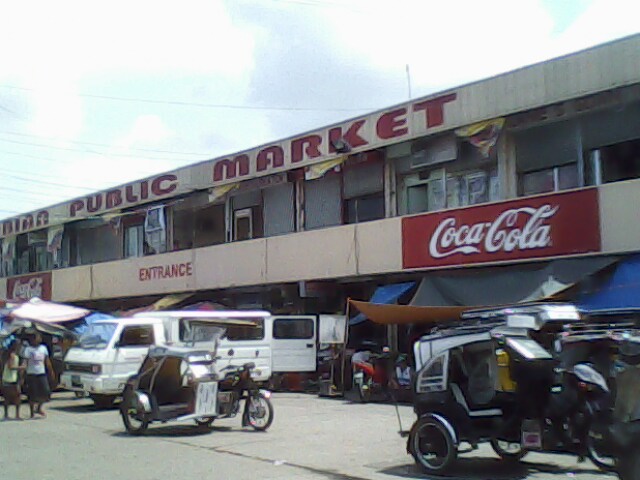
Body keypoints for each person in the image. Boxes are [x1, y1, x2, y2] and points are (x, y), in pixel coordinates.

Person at [23, 332, 54, 419]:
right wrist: (22, 374)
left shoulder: (43, 348)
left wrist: (51, 371)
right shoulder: (28, 349)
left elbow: (47, 361)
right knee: (32, 394)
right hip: (31, 374)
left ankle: (39, 408)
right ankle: (32, 412)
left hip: (41, 373)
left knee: (46, 391)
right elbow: (25, 362)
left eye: (39, 338)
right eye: (37, 337)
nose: (39, 339)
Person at [2, 340, 24, 420]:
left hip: (9, 378)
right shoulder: (12, 355)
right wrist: (21, 367)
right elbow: (10, 367)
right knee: (17, 396)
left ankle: (6, 415)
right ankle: (16, 415)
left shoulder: (10, 354)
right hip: (11, 379)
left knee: (8, 398)